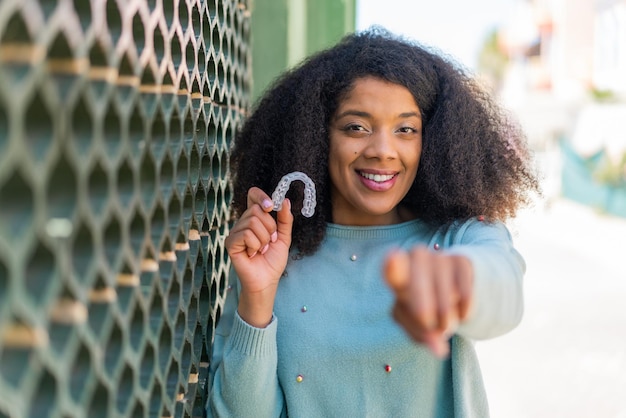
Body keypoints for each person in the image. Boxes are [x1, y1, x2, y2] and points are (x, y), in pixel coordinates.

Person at [206, 28, 539, 417]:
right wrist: (258, 297)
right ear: (316, 136)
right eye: (356, 127)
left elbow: (505, 294)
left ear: (430, 140)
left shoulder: (459, 236)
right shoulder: (272, 256)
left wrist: (455, 280)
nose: (382, 150)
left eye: (405, 130)